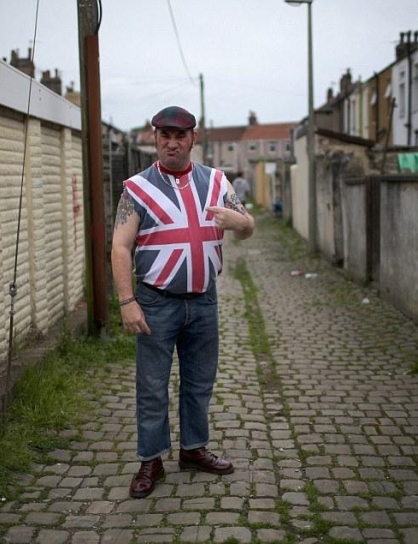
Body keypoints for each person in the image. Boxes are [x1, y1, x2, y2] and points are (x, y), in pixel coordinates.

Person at [111, 105, 255, 498]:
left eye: (180, 136)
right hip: (156, 302)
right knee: (153, 386)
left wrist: (239, 222)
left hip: (204, 301)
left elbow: (247, 227)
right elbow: (120, 247)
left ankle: (193, 449)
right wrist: (127, 301)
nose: (172, 143)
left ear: (194, 137)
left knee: (198, 383)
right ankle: (150, 460)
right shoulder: (137, 188)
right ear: (154, 138)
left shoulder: (216, 181)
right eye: (164, 136)